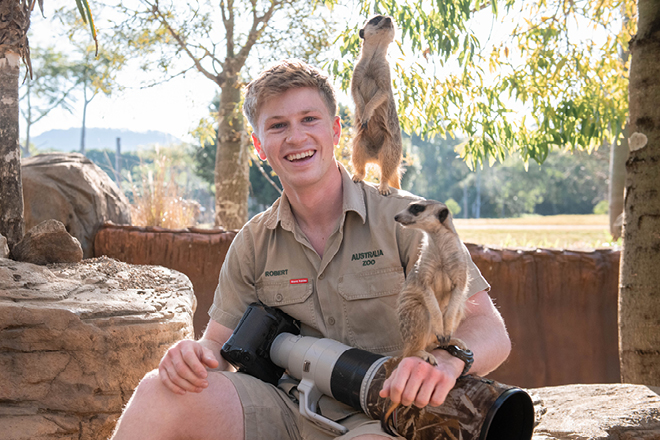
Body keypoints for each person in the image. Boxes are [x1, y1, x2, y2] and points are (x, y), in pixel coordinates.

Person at [110, 59, 511, 440]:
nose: (296, 137)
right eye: (278, 125)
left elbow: (489, 329)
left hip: (387, 415)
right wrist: (193, 355)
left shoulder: (409, 221)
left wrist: (447, 359)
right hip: (285, 409)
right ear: (259, 145)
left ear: (336, 131)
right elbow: (218, 346)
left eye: (309, 120)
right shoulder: (253, 242)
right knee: (158, 390)